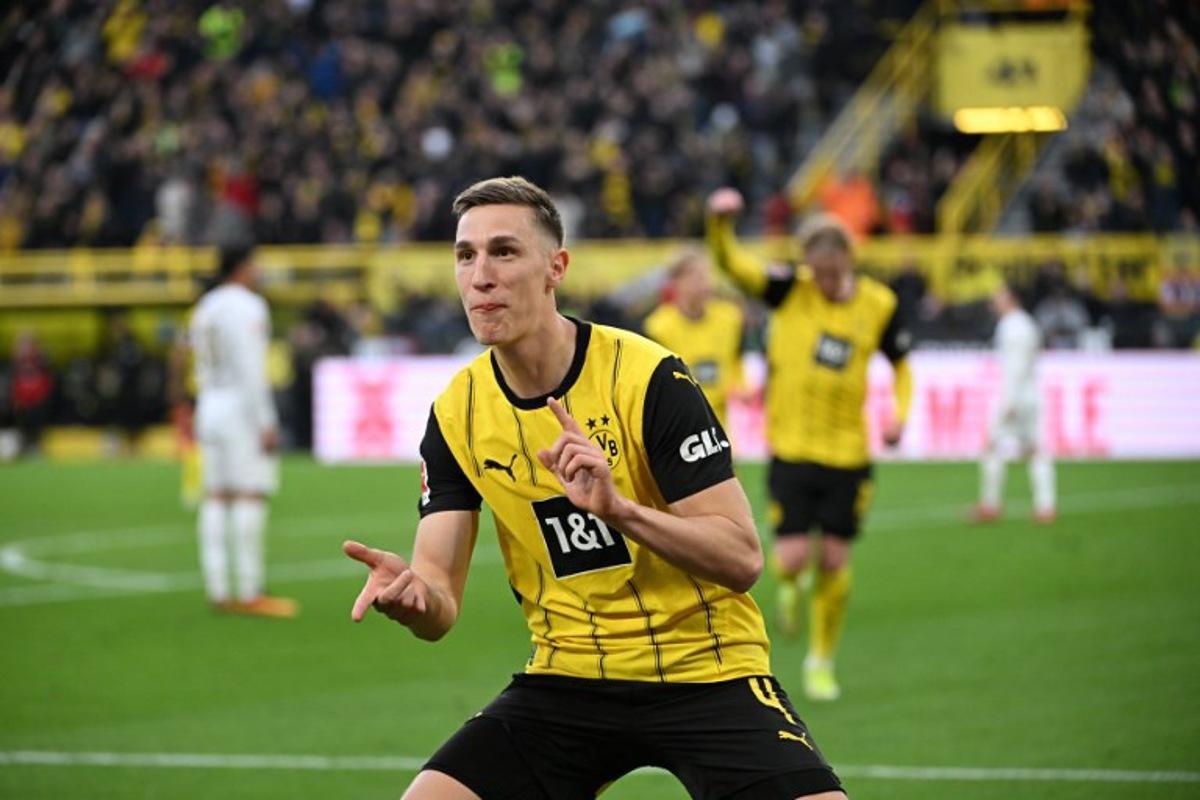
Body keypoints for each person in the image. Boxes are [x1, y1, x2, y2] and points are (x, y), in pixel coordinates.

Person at [343, 177, 845, 800]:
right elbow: (439, 603)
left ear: (556, 268)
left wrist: (620, 511)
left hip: (707, 668)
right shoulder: (456, 414)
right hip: (569, 676)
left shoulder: (648, 378)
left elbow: (741, 559)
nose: (480, 276)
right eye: (465, 255)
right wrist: (413, 597)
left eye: (504, 252)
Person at [704, 187, 913, 702]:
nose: (818, 280)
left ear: (846, 260)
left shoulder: (879, 305)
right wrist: (719, 225)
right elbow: (733, 266)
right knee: (792, 558)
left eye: (826, 271)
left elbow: (902, 366)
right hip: (793, 450)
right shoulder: (790, 290)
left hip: (848, 454)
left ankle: (822, 659)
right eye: (812, 270)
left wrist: (898, 415)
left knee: (836, 561)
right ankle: (792, 589)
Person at [189, 244, 297, 618]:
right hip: (239, 410)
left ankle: (218, 588)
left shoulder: (204, 307)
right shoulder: (248, 306)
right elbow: (251, 370)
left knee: (216, 497)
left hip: (209, 406)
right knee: (250, 495)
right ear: (242, 267)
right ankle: (251, 589)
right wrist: (265, 422)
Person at [973, 282, 1057, 524]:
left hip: (1015, 396)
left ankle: (990, 504)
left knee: (991, 445)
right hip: (1031, 394)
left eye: (999, 296)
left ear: (1011, 298)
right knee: (1036, 449)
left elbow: (1015, 367)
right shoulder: (1027, 324)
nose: (994, 301)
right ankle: (1046, 506)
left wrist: (1009, 401)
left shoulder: (1011, 326)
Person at [643, 247, 745, 429]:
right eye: (696, 277)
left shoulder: (729, 319)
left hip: (720, 425)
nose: (705, 284)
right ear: (676, 282)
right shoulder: (657, 327)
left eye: (707, 275)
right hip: (679, 425)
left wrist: (740, 387)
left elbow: (738, 360)